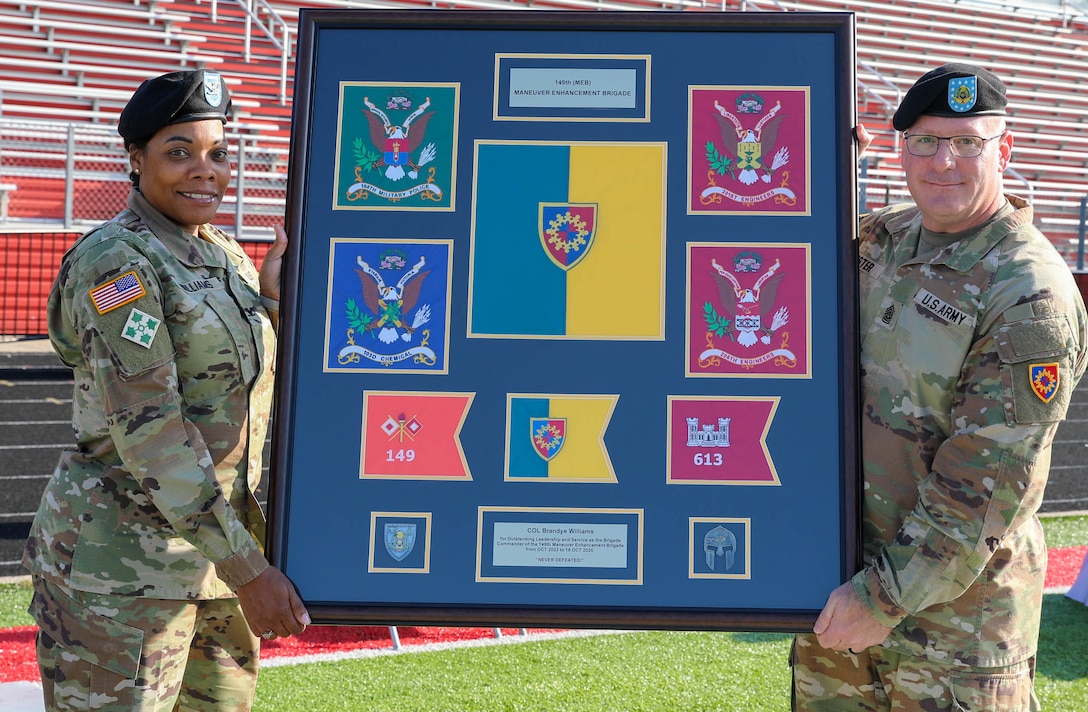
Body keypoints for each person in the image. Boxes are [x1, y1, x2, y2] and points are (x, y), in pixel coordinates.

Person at [792, 63, 1088, 710]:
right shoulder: (883, 238)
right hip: (841, 600)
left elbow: (984, 486)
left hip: (954, 636)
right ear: (901, 149)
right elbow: (786, 243)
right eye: (924, 140)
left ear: (1003, 150)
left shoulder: (1028, 293)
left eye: (967, 142)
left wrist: (879, 601)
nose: (943, 160)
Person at [22, 69, 310, 711]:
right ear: (135, 158)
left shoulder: (225, 257)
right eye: (179, 152)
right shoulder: (117, 265)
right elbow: (152, 433)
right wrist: (252, 571)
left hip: (213, 566)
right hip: (121, 575)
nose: (204, 171)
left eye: (218, 155)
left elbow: (254, 390)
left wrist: (273, 300)